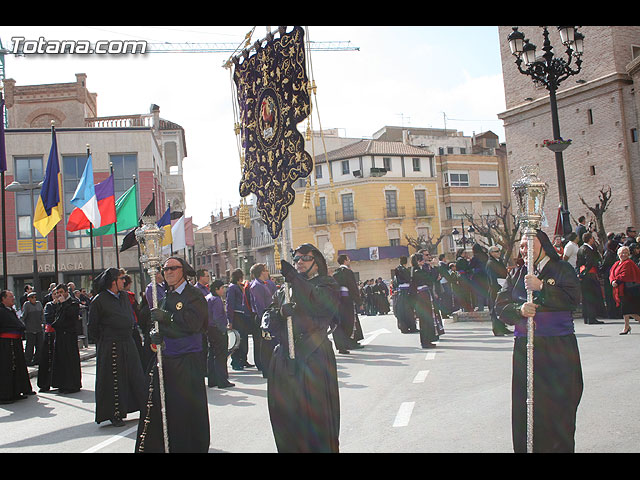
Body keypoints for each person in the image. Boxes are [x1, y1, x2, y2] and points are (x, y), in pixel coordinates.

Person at [494, 229, 583, 453]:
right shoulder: (516, 274)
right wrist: (519, 309)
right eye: (522, 246)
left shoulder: (562, 269)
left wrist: (542, 287)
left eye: (528, 245)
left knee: (559, 405)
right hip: (526, 349)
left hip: (558, 347)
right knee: (528, 407)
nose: (523, 251)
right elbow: (499, 307)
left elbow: (574, 299)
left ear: (542, 245)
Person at [263, 243, 340, 452]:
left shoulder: (327, 284)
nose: (299, 263)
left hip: (313, 356)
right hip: (285, 360)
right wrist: (280, 314)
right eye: (296, 259)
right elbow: (267, 318)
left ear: (317, 262)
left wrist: (295, 280)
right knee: (286, 418)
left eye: (305, 258)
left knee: (316, 418)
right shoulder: (285, 289)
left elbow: (318, 302)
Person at [135, 256, 209, 453]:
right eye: (164, 269)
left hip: (187, 361)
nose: (167, 272)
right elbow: (159, 325)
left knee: (186, 410)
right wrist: (155, 335)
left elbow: (194, 324)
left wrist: (168, 317)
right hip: (168, 358)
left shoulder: (194, 294)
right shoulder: (165, 296)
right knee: (167, 410)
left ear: (183, 270)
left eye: (172, 268)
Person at [88, 268, 147, 427]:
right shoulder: (99, 300)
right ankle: (115, 414)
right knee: (115, 380)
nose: (124, 281)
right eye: (121, 279)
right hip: (111, 345)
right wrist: (106, 339)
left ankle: (144, 407)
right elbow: (92, 328)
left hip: (128, 341)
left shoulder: (124, 297)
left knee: (136, 375)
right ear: (113, 281)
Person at [0, 290, 35, 404]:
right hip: (6, 344)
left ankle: (17, 391)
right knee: (7, 369)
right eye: (10, 297)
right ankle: (6, 395)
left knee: (18, 367)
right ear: (3, 299)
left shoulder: (10, 310)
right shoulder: (1, 311)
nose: (13, 298)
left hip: (15, 342)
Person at [51, 283, 82, 394]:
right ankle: (62, 384)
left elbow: (72, 315)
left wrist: (64, 304)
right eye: (57, 293)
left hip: (69, 335)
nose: (59, 295)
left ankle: (72, 384)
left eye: (61, 292)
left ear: (66, 292)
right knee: (61, 359)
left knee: (70, 360)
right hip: (60, 335)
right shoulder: (58, 304)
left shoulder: (73, 302)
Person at [249, 263, 278, 375]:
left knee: (269, 343)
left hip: (268, 315)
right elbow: (259, 305)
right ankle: (265, 368)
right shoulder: (257, 286)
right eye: (265, 270)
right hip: (262, 317)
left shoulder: (263, 284)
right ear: (261, 272)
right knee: (264, 345)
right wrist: (265, 320)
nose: (267, 272)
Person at [332, 254, 364, 353]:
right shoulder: (348, 272)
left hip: (338, 301)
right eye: (348, 259)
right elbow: (353, 288)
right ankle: (349, 343)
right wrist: (359, 302)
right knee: (350, 322)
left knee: (341, 323)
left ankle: (342, 345)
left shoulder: (335, 273)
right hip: (348, 300)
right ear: (345, 261)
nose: (349, 260)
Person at [206, 279, 234, 388]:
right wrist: (223, 330)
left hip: (210, 329)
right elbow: (217, 317)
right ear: (216, 289)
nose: (223, 290)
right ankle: (222, 381)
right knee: (220, 356)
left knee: (212, 355)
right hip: (217, 330)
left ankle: (212, 380)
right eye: (222, 288)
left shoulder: (208, 298)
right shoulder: (216, 300)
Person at [226, 268, 254, 371]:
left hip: (242, 315)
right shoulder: (232, 288)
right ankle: (236, 361)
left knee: (243, 339)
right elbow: (230, 304)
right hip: (236, 315)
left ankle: (243, 359)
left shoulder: (239, 287)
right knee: (237, 339)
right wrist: (230, 320)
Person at [576, 232, 606, 325]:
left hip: (584, 275)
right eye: (592, 238)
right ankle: (592, 318)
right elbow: (589, 263)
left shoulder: (580, 248)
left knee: (586, 298)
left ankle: (587, 317)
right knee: (591, 297)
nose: (593, 240)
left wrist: (580, 274)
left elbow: (579, 264)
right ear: (589, 239)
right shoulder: (588, 249)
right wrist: (585, 273)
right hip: (590, 276)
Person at [609, 245, 640, 335]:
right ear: (618, 254)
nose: (624, 254)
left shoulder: (628, 263)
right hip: (621, 289)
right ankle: (627, 326)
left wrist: (616, 282)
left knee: (628, 310)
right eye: (622, 253)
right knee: (626, 310)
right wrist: (612, 281)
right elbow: (611, 273)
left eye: (626, 253)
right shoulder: (616, 263)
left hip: (629, 289)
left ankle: (626, 327)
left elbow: (624, 275)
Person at [410, 253, 437, 349]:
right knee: (425, 319)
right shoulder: (417, 271)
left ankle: (428, 340)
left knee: (426, 318)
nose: (423, 262)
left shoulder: (417, 270)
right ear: (418, 261)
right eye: (422, 260)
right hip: (421, 296)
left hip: (423, 295)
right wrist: (433, 268)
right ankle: (425, 341)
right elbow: (429, 279)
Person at [486, 245, 512, 336]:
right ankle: (497, 329)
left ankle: (503, 327)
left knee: (501, 308)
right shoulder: (490, 263)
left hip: (502, 286)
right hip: (495, 289)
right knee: (494, 309)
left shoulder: (499, 261)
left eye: (499, 251)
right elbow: (492, 278)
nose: (499, 253)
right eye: (496, 251)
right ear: (491, 253)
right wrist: (497, 287)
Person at [37, 289, 59, 392]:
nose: (57, 296)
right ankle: (45, 383)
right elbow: (49, 319)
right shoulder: (49, 305)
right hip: (50, 334)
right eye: (55, 294)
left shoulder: (63, 305)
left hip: (60, 335)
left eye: (58, 294)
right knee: (48, 359)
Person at [393, 256, 416, 333]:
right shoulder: (402, 269)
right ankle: (407, 327)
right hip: (405, 291)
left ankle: (407, 327)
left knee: (405, 310)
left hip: (402, 291)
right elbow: (407, 279)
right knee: (406, 310)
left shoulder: (400, 269)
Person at [22, 291, 44, 366]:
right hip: (30, 329)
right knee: (30, 346)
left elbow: (42, 314)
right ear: (28, 299)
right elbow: (24, 316)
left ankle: (37, 359)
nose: (34, 299)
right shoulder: (27, 305)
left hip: (39, 328)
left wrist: (43, 323)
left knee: (39, 345)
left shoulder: (39, 304)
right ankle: (28, 360)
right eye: (32, 297)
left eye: (35, 297)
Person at [602, 238, 622, 319]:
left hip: (611, 275)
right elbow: (604, 265)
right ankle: (612, 313)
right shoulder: (609, 254)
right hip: (609, 276)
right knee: (610, 295)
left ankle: (615, 312)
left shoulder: (612, 253)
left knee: (613, 295)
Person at [469, 243, 490, 312]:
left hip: (477, 277)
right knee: (487, 291)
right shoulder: (485, 256)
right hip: (486, 276)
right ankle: (490, 306)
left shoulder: (475, 257)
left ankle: (480, 307)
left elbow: (470, 266)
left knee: (479, 292)